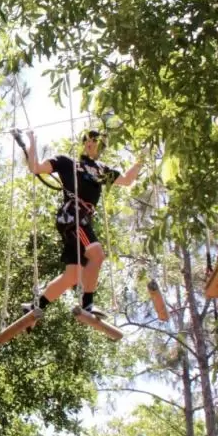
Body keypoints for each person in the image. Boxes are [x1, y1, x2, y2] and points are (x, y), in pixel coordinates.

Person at [22, 129, 141, 316]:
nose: (90, 143)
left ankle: (36, 306)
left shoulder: (101, 170)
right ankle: (87, 304)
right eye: (87, 140)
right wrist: (32, 142)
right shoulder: (67, 163)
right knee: (97, 255)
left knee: (73, 275)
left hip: (81, 221)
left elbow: (127, 180)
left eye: (95, 141)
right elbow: (35, 168)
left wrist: (140, 161)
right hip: (72, 218)